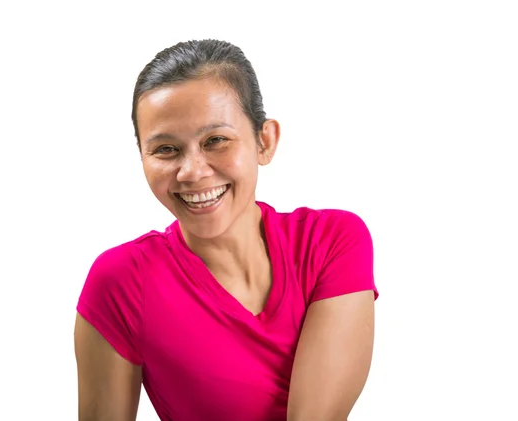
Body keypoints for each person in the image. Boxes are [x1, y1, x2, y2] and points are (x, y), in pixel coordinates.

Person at [74, 39, 379, 421]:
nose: (191, 171)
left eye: (215, 140)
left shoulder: (331, 241)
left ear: (264, 141)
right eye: (166, 149)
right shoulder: (120, 281)